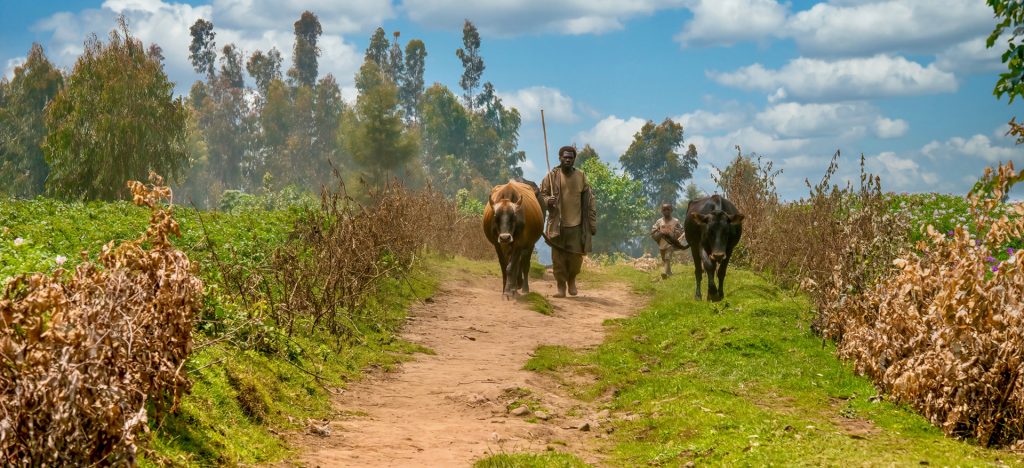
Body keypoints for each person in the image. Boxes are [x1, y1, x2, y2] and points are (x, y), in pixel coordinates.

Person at [541, 146, 597, 297]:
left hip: (576, 225)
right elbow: (541, 195)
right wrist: (548, 200)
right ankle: (561, 287)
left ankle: (571, 280)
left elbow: (590, 199)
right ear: (559, 158)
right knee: (558, 259)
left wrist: (592, 223)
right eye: (565, 157)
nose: (567, 159)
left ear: (574, 159)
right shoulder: (551, 177)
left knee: (575, 258)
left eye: (570, 158)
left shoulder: (581, 176)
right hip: (557, 226)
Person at [651, 203, 686, 279]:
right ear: (661, 211)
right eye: (664, 210)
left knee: (667, 256)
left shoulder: (675, 221)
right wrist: (660, 232)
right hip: (662, 243)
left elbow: (681, 230)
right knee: (664, 258)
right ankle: (669, 272)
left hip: (671, 243)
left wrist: (676, 233)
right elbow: (653, 230)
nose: (666, 211)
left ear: (671, 210)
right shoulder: (659, 221)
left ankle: (664, 273)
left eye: (668, 209)